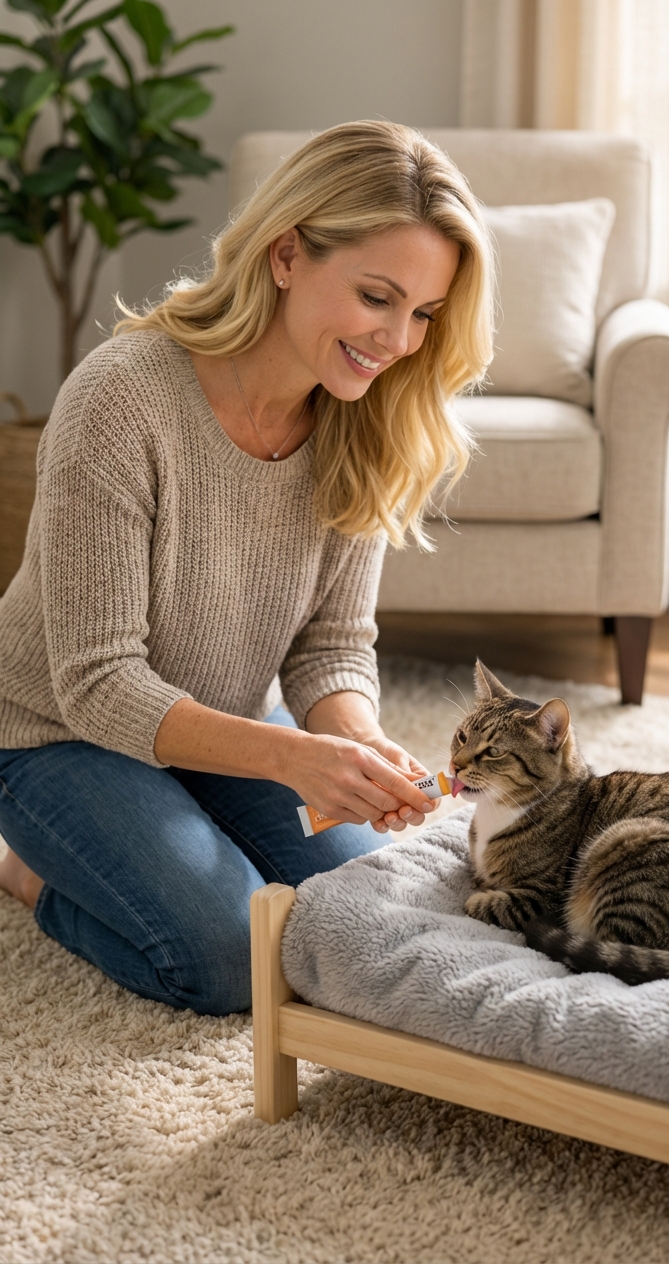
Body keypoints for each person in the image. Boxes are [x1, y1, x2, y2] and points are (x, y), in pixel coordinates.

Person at [0, 120, 493, 1014]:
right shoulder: (122, 398)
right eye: (377, 297)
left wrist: (353, 740)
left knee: (362, 917)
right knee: (231, 958)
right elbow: (99, 684)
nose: (397, 340)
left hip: (222, 722)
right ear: (286, 255)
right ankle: (26, 872)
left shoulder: (361, 419)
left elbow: (332, 643)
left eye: (423, 313)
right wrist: (294, 758)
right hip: (51, 733)